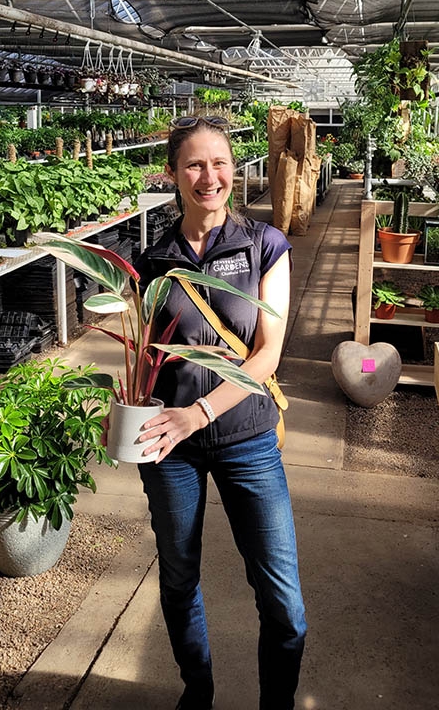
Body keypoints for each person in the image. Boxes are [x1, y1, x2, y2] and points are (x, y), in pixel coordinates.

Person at [133, 115, 306, 710]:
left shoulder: (264, 245)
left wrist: (197, 413)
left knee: (284, 606)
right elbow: (145, 353)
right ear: (173, 174)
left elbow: (267, 354)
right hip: (169, 447)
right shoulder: (153, 257)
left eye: (220, 163)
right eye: (195, 165)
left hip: (245, 439)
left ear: (235, 167)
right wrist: (128, 407)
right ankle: (197, 692)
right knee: (179, 582)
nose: (210, 177)